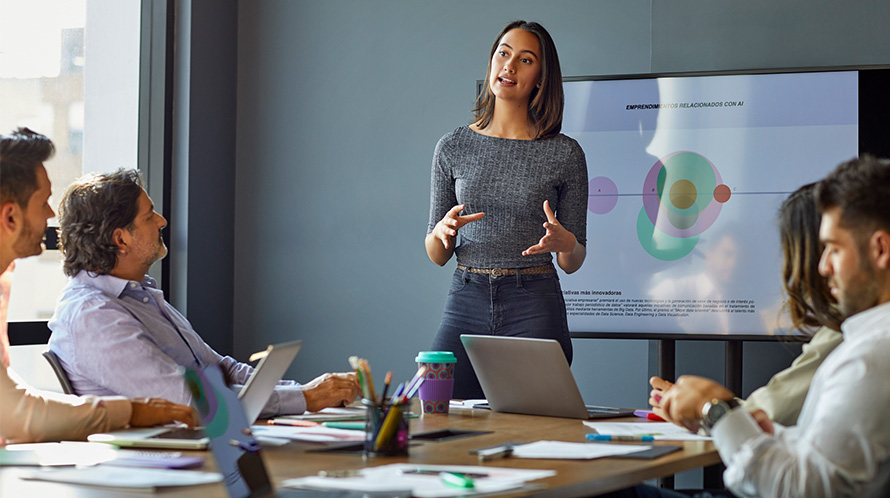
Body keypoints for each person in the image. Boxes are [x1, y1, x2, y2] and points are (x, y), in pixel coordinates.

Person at [637, 156, 890, 497]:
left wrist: (715, 410)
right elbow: (821, 455)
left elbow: (803, 490)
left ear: (880, 248)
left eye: (833, 248)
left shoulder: (869, 360)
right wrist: (750, 424)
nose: (823, 266)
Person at [47, 168, 360, 417]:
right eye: (149, 215)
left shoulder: (140, 296)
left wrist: (308, 393)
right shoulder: (93, 316)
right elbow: (188, 398)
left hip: (209, 442)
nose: (162, 221)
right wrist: (304, 398)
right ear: (121, 239)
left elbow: (221, 370)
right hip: (160, 465)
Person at [0, 127, 196, 444]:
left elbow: (15, 404)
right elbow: (19, 416)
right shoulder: (94, 312)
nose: (51, 215)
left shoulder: (144, 296)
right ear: (10, 217)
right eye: (43, 202)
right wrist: (130, 412)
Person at [425, 20, 588, 399]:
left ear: (541, 78)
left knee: (536, 424)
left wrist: (565, 242)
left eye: (525, 59)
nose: (510, 65)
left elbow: (573, 260)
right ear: (491, 64)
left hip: (533, 299)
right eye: (503, 53)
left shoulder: (565, 153)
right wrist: (442, 232)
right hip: (467, 295)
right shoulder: (452, 147)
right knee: (438, 412)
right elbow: (436, 255)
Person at [649, 183, 844, 427]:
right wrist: (701, 404)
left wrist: (706, 406)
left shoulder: (846, 331)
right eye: (727, 254)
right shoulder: (676, 289)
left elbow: (775, 411)